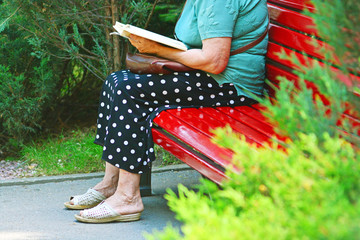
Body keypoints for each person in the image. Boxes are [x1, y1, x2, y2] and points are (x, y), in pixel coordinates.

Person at [64, 0, 269, 223]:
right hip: (209, 77)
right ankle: (110, 183)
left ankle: (128, 197)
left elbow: (214, 61)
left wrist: (158, 50)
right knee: (116, 81)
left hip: (229, 86)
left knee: (129, 90)